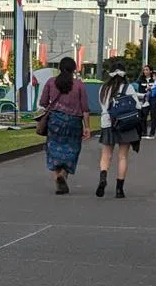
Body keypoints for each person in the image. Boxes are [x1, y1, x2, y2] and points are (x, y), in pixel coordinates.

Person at [38, 57, 90, 194]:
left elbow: (43, 102)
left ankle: (57, 179)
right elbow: (85, 108)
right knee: (72, 149)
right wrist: (87, 127)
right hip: (74, 122)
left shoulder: (50, 82)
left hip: (55, 120)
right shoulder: (79, 85)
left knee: (54, 149)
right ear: (74, 69)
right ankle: (64, 174)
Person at [97, 61, 142, 198]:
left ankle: (103, 178)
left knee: (106, 155)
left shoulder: (103, 88)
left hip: (107, 123)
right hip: (124, 124)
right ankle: (119, 189)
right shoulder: (128, 87)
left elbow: (102, 106)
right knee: (122, 156)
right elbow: (137, 106)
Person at [136, 65, 156, 139]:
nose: (145, 71)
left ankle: (152, 133)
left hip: (154, 99)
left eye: (147, 69)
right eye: (144, 70)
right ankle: (144, 132)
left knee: (153, 114)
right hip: (144, 99)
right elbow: (139, 90)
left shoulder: (154, 79)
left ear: (150, 71)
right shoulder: (141, 80)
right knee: (143, 115)